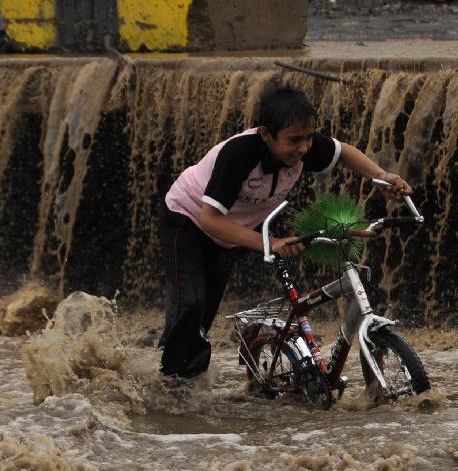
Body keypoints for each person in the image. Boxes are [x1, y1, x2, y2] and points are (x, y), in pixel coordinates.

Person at [157, 84, 412, 388]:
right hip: (186, 222)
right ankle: (171, 387)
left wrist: (382, 177)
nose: (303, 148)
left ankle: (183, 381)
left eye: (307, 138)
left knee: (202, 315)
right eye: (294, 140)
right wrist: (271, 243)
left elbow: (343, 152)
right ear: (265, 134)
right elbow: (209, 219)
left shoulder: (303, 147)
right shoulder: (239, 155)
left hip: (229, 233)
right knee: (191, 304)